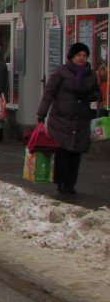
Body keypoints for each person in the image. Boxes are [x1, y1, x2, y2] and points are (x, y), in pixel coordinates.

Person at [37, 42, 102, 196]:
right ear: (72, 56)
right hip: (61, 119)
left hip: (81, 121)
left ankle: (71, 184)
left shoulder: (91, 75)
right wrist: (42, 113)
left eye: (85, 55)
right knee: (63, 152)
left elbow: (98, 95)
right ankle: (61, 183)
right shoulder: (61, 72)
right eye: (79, 55)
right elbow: (49, 93)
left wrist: (88, 95)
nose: (82, 58)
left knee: (76, 154)